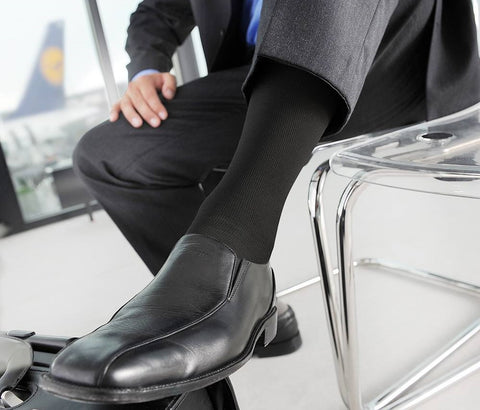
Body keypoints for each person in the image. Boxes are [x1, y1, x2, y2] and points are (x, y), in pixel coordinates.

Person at [41, 0, 480, 403]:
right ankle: (247, 300)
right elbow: (159, 8)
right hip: (264, 79)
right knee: (109, 155)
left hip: (392, 66)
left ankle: (236, 244)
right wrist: (146, 68)